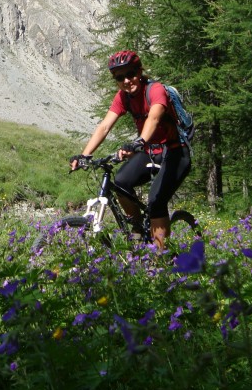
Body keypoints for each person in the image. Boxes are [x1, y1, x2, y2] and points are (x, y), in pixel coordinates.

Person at [70, 50, 192, 251]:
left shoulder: (155, 90)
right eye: (120, 77)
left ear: (140, 71)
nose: (127, 80)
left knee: (156, 201)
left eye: (131, 74)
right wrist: (85, 154)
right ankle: (136, 227)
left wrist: (138, 142)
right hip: (150, 150)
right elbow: (104, 126)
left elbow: (154, 118)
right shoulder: (123, 97)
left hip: (175, 151)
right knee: (121, 182)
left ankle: (159, 261)